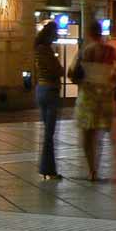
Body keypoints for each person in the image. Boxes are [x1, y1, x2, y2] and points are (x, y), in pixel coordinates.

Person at [70, 26, 116, 181]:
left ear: (90, 34)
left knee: (87, 136)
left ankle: (92, 169)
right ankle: (96, 167)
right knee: (98, 136)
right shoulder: (110, 52)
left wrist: (83, 80)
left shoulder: (85, 51)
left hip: (88, 96)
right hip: (104, 98)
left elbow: (72, 73)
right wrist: (109, 81)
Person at [33, 23, 63, 181]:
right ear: (50, 34)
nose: (56, 35)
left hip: (41, 89)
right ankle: (48, 169)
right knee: (49, 134)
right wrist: (60, 68)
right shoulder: (45, 50)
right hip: (50, 91)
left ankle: (47, 168)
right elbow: (57, 70)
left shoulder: (39, 49)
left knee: (47, 132)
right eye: (55, 33)